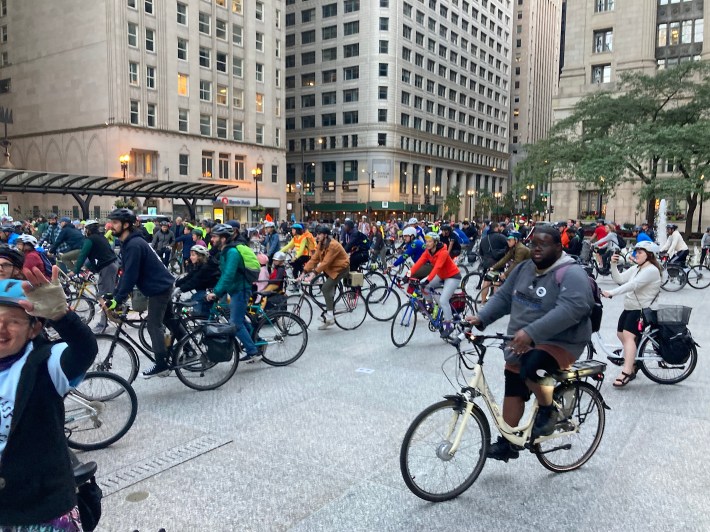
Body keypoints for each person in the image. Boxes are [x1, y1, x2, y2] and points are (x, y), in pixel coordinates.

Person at [466, 226, 595, 461]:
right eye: (534, 242)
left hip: (561, 340)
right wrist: (481, 317)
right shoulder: (524, 268)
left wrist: (532, 332)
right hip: (523, 338)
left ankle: (549, 411)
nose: (537, 248)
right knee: (513, 382)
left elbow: (572, 309)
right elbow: (505, 296)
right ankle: (509, 442)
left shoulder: (571, 273)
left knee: (531, 367)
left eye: (544, 243)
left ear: (558, 247)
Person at [0, 266, 98, 530]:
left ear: (34, 329)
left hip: (42, 507)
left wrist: (61, 316)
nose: (1, 328)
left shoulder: (44, 362)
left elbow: (83, 351)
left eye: (13, 321)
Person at [102, 209, 177, 377]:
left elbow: (131, 275)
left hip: (159, 288)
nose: (110, 226)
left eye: (115, 223)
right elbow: (125, 272)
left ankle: (161, 364)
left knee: (153, 324)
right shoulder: (128, 242)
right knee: (170, 319)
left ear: (126, 225)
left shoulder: (134, 245)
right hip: (160, 285)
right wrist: (114, 295)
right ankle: (187, 349)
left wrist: (119, 299)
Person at [600, 241, 662, 388]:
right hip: (630, 307)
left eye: (640, 252)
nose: (636, 255)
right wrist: (613, 265)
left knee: (628, 336)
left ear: (649, 255)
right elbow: (620, 279)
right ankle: (632, 360)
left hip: (642, 310)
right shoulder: (637, 268)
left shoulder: (651, 270)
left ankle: (627, 371)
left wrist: (611, 293)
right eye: (636, 252)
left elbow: (633, 285)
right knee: (620, 334)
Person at [206, 223, 261, 362]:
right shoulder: (225, 251)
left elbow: (228, 275)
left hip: (240, 290)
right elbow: (223, 274)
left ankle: (253, 351)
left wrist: (217, 292)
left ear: (223, 239)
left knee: (234, 324)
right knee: (240, 320)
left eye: (214, 237)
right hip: (234, 289)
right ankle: (258, 341)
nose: (211, 239)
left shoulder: (232, 253)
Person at [410, 232, 462, 337]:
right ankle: (431, 306)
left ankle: (449, 325)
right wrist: (408, 274)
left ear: (435, 242)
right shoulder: (428, 252)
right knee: (422, 285)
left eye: (430, 241)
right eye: (426, 241)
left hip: (452, 276)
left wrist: (428, 280)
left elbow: (437, 267)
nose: (427, 243)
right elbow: (419, 263)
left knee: (443, 300)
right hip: (441, 275)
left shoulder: (443, 252)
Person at [72, 220, 120, 333]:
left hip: (107, 268)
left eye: (85, 228)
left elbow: (83, 255)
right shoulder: (101, 237)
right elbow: (96, 255)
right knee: (107, 293)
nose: (84, 230)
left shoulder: (90, 240)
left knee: (102, 296)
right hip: (112, 265)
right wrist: (88, 268)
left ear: (88, 229)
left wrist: (75, 271)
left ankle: (103, 324)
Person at [303, 225, 350, 330]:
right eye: (316, 234)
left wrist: (313, 274)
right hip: (330, 268)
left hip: (341, 268)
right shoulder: (321, 244)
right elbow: (314, 259)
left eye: (319, 234)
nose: (317, 236)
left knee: (325, 288)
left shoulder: (333, 245)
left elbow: (325, 262)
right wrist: (304, 271)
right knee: (328, 291)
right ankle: (329, 314)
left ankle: (330, 316)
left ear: (325, 235)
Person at [479, 231, 531, 305]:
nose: (507, 242)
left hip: (528, 269)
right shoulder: (513, 248)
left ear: (516, 240)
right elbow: (505, 259)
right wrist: (493, 267)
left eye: (509, 240)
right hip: (522, 267)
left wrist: (505, 274)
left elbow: (516, 263)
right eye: (507, 240)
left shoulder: (520, 249)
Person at [174, 244, 219, 317]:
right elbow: (190, 276)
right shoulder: (200, 265)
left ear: (200, 256)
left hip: (211, 292)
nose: (190, 257)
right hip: (205, 291)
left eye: (193, 255)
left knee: (196, 300)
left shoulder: (206, 267)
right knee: (190, 301)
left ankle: (205, 322)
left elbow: (194, 281)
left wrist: (181, 289)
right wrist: (176, 284)